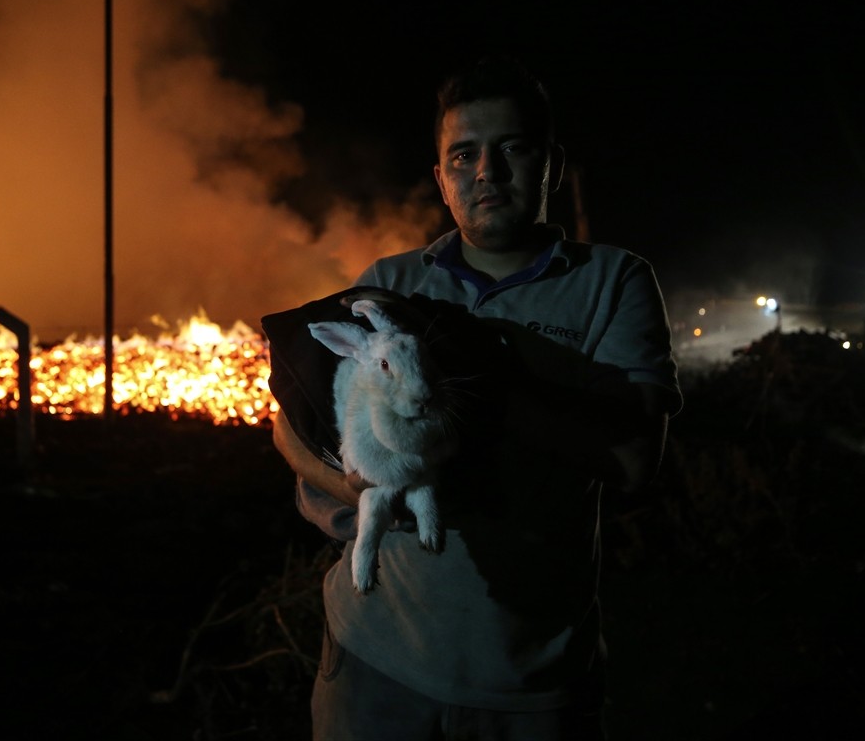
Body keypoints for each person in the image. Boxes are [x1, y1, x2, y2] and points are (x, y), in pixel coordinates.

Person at [271, 54, 683, 740]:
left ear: (551, 164)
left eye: (511, 149)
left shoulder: (612, 280)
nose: (486, 172)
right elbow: (292, 424)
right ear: (440, 178)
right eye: (463, 155)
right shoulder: (390, 285)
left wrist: (484, 388)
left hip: (531, 679)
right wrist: (363, 493)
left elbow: (636, 461)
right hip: (375, 662)